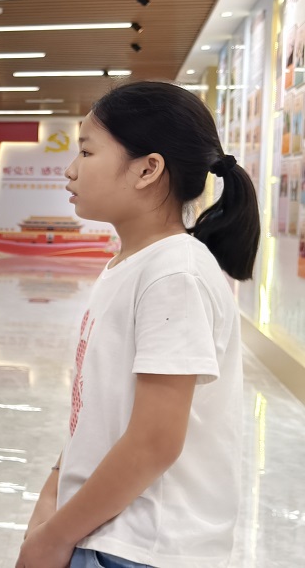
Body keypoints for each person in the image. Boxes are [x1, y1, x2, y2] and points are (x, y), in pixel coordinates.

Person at [17, 81, 260, 568]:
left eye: (87, 152)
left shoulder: (174, 274)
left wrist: (53, 537)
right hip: (102, 528)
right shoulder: (134, 264)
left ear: (148, 169)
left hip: (141, 547)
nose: (70, 170)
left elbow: (154, 443)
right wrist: (53, 493)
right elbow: (100, 410)